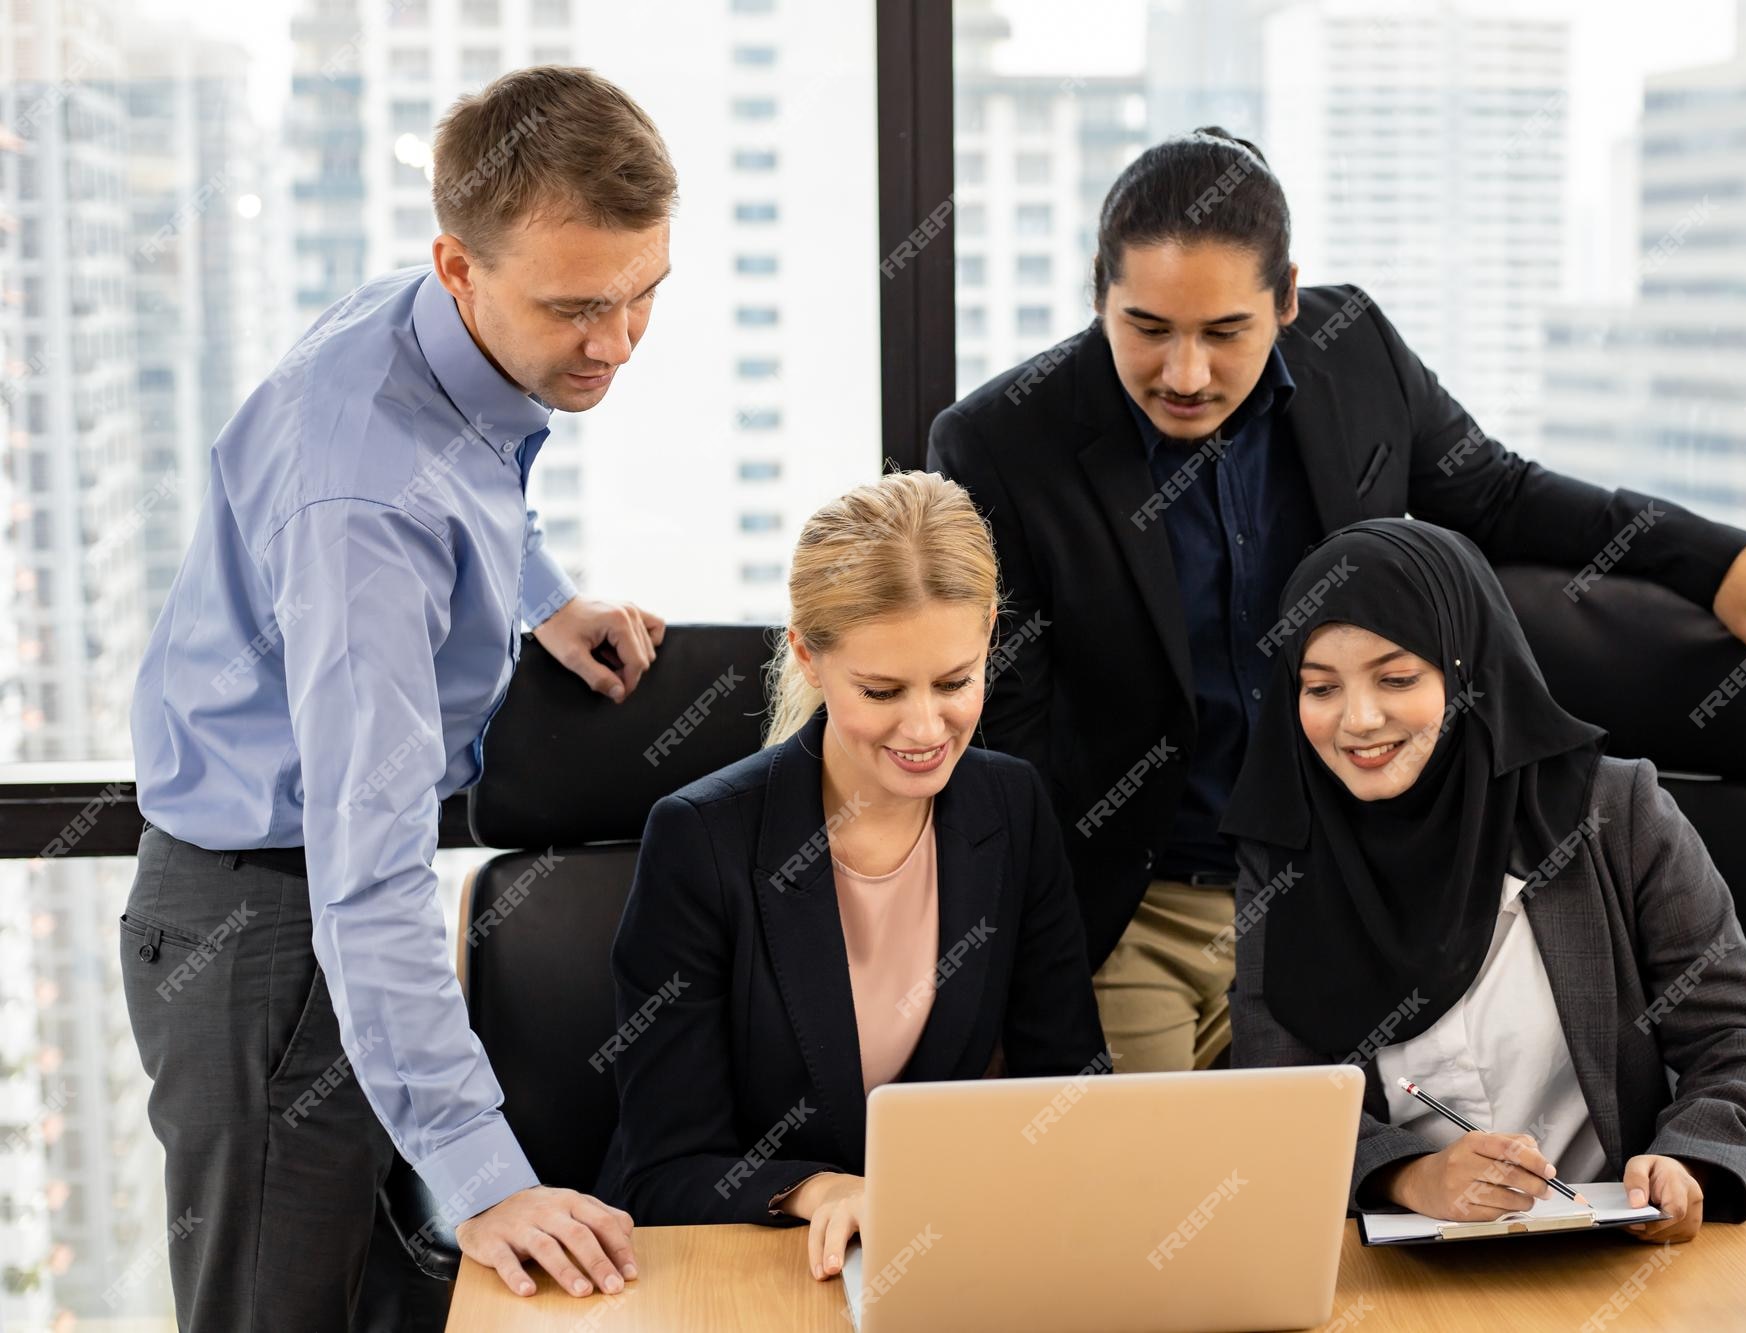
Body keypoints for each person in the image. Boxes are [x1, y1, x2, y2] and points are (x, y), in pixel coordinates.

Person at [928, 127, 1746, 1075]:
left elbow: (1499, 495)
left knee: (1351, 1188)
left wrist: (1714, 558)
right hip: (1133, 907)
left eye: (1224, 332)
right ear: (1097, 295)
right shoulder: (1001, 442)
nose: (1183, 374)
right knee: (1146, 1197)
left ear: (1286, 300)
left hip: (1342, 881)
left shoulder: (1351, 349)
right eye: (1147, 328)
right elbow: (1005, 737)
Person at [124, 67, 677, 1329]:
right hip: (266, 931)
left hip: (296, 912)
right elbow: (365, 869)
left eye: (644, 294)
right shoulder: (362, 508)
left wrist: (540, 594)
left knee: (385, 1311)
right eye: (576, 309)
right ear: (458, 265)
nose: (615, 344)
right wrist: (482, 1178)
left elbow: (467, 464)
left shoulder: (422, 329)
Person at [596, 471, 1106, 1281]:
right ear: (806, 653)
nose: (925, 727)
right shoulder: (701, 839)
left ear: (991, 640)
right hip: (742, 1269)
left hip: (941, 1260)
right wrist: (818, 1188)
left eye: (955, 681)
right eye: (882, 690)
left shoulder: (1012, 805)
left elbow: (1070, 1089)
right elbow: (664, 1169)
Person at [1224, 519, 1746, 1242]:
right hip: (1399, 1270)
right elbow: (1277, 1094)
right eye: (1320, 687)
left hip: (1613, 1253)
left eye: (1397, 677)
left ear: (1465, 672)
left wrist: (1688, 1161)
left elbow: (1737, 1037)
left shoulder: (1613, 812)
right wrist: (1406, 1174)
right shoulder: (1282, 853)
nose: (1358, 720)